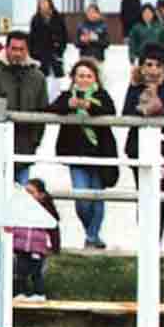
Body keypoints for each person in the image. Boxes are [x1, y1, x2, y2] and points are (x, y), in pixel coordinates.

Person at [49, 58, 119, 249]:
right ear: (73, 78)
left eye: (88, 76)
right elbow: (52, 108)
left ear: (95, 78)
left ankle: (92, 236)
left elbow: (110, 111)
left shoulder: (102, 95)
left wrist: (90, 106)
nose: (84, 79)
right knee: (82, 199)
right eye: (80, 75)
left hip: (100, 154)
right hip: (76, 154)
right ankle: (91, 230)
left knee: (97, 197)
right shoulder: (66, 95)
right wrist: (69, 105)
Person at [123, 50, 164, 237]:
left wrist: (157, 98)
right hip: (138, 149)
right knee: (142, 195)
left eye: (158, 65)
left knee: (159, 196)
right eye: (149, 64)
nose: (153, 69)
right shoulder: (134, 88)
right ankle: (144, 239)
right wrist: (142, 104)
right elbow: (127, 112)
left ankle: (156, 242)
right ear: (142, 67)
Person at [0, 30, 49, 184]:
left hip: (25, 147)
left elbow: (42, 111)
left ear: (27, 50)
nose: (17, 53)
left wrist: (34, 141)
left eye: (21, 49)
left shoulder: (37, 77)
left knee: (21, 194)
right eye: (14, 49)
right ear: (6, 48)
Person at [11, 179, 61, 302]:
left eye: (31, 192)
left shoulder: (46, 212)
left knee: (36, 272)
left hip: (37, 248)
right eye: (25, 192)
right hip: (20, 247)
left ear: (41, 195)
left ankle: (39, 293)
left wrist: (55, 247)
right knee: (19, 272)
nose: (27, 195)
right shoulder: (18, 208)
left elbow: (54, 230)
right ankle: (20, 293)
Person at [27, 0, 67, 95]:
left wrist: (60, 50)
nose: (43, 4)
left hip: (55, 52)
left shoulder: (57, 17)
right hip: (40, 53)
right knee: (42, 77)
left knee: (57, 79)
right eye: (40, 2)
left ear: (50, 3)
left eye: (45, 2)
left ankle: (56, 98)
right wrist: (32, 53)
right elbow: (32, 37)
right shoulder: (36, 19)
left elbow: (64, 35)